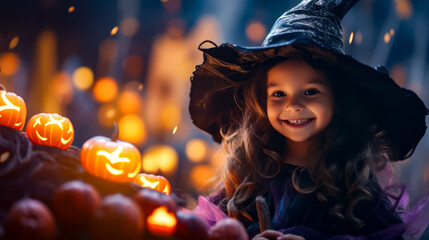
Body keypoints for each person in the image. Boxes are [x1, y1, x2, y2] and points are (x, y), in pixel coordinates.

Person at [188, 0, 429, 239]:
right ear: (262, 101)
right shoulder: (246, 178)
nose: (293, 105)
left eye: (311, 91)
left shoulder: (355, 185)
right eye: (278, 94)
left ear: (338, 100)